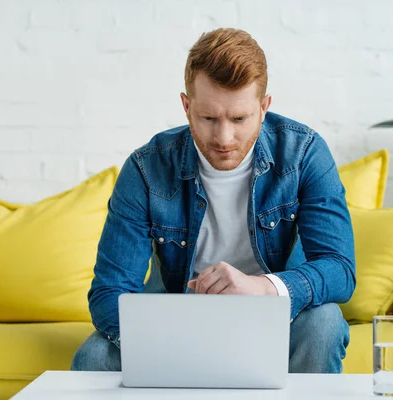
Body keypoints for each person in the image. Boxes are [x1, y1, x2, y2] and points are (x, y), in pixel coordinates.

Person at [71, 28, 356, 374]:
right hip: (175, 327)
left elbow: (340, 269)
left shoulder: (304, 153)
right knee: (93, 357)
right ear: (186, 106)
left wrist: (261, 288)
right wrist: (182, 344)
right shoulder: (147, 168)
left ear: (264, 107)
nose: (224, 138)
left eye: (239, 119)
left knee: (324, 323)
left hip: (278, 318)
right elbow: (109, 292)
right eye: (208, 118)